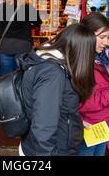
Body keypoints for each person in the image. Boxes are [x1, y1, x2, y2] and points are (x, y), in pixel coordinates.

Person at [17, 23, 97, 155]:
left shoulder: (51, 65)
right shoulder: (52, 74)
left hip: (54, 144)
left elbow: (51, 110)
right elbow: (43, 128)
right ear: (82, 52)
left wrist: (73, 121)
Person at [77, 12, 109, 156]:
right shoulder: (81, 63)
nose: (106, 42)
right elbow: (82, 102)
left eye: (108, 37)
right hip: (88, 128)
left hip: (104, 125)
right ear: (87, 35)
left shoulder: (104, 56)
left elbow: (108, 83)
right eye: (102, 37)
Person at [0, 0, 41, 78]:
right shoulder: (28, 8)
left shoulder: (2, 7)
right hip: (23, 46)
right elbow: (38, 22)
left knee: (4, 78)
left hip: (5, 46)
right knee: (21, 78)